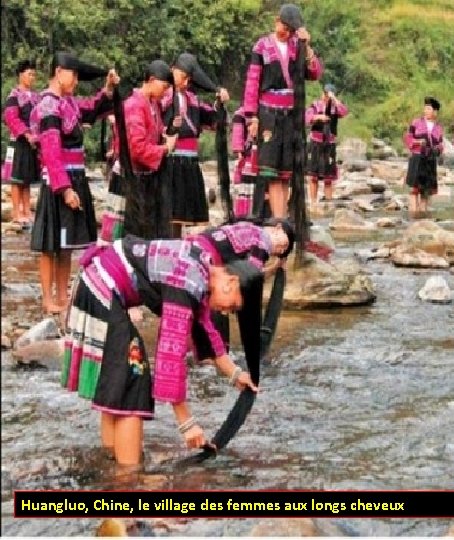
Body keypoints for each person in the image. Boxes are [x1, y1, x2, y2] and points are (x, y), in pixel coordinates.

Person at [62, 235, 262, 466]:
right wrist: (186, 423)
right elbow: (170, 353)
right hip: (101, 288)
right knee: (133, 381)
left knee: (119, 383)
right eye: (234, 305)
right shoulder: (189, 279)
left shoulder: (203, 268)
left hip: (95, 280)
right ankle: (128, 477)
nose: (227, 311)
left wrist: (234, 373)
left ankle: (110, 463)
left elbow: (202, 325)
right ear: (231, 282)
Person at [30, 52, 118, 314]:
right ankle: (48, 299)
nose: (77, 81)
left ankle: (62, 295)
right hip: (59, 180)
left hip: (76, 176)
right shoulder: (48, 105)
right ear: (59, 72)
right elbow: (50, 151)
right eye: (74, 74)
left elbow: (93, 108)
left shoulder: (69, 103)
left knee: (65, 244)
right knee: (50, 244)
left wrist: (109, 88)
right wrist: (65, 188)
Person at [243, 3, 323, 218]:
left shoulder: (298, 46)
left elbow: (314, 73)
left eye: (291, 28)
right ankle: (278, 220)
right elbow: (252, 82)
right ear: (276, 21)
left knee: (286, 173)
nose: (286, 31)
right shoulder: (261, 47)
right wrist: (252, 117)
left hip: (291, 117)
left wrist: (307, 47)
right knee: (272, 173)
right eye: (284, 25)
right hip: (268, 115)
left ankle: (282, 218)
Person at [99, 60, 177, 243]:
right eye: (164, 86)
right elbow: (136, 148)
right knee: (122, 237)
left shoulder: (153, 105)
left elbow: (151, 134)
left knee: (141, 236)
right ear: (151, 80)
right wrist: (166, 148)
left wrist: (162, 136)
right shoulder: (134, 105)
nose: (165, 91)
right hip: (129, 177)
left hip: (144, 178)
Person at [189, 218, 295, 352]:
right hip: (204, 261)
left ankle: (199, 354)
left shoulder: (248, 228)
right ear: (277, 228)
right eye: (284, 245)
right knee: (217, 311)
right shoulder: (264, 241)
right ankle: (213, 356)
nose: (279, 250)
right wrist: (274, 269)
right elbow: (250, 278)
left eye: (280, 253)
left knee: (195, 315)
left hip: (194, 249)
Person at [161, 52, 230, 238]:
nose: (184, 82)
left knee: (181, 214)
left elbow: (214, 120)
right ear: (171, 70)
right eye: (181, 76)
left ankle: (176, 246)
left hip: (189, 162)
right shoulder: (162, 97)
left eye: (188, 79)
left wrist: (219, 101)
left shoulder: (193, 100)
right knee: (169, 211)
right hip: (169, 160)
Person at [3, 59, 41, 226]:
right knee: (17, 178)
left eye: (34, 74)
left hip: (32, 142)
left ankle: (27, 210)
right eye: (29, 74)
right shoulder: (14, 96)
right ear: (20, 75)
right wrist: (26, 134)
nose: (32, 77)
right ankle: (16, 212)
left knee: (27, 178)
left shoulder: (36, 97)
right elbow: (11, 117)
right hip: (19, 141)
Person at [305, 83, 348, 204]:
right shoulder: (315, 105)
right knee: (313, 175)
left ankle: (328, 201)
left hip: (329, 143)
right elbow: (306, 118)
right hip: (316, 142)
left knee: (328, 176)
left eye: (328, 94)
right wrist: (318, 117)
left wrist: (334, 99)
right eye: (325, 93)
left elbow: (344, 112)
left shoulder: (335, 107)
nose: (326, 96)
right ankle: (313, 201)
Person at [404, 97, 444, 215]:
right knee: (414, 189)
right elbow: (408, 138)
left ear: (435, 112)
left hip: (430, 160)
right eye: (425, 108)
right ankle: (413, 213)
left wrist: (437, 149)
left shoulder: (438, 128)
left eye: (429, 109)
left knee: (425, 190)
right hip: (417, 158)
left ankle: (422, 213)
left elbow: (441, 144)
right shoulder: (416, 123)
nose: (426, 111)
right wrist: (417, 142)